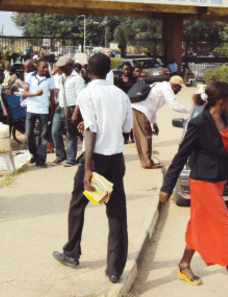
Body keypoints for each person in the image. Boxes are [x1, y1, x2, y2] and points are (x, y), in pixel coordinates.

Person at [159, 81, 228, 297]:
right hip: (202, 183)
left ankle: (184, 264)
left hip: (218, 179)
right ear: (221, 101)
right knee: (226, 229)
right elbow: (181, 155)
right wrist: (167, 187)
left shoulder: (225, 117)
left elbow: (225, 149)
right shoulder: (199, 123)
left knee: (199, 224)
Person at [52, 52, 133, 284]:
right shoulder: (120, 95)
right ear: (109, 71)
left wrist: (87, 170)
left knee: (78, 204)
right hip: (116, 159)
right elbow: (127, 128)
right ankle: (115, 269)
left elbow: (90, 130)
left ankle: (71, 252)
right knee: (117, 212)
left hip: (95, 158)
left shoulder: (86, 93)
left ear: (87, 70)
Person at [131, 75, 190, 169]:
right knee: (145, 136)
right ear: (175, 86)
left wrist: (154, 123)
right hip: (140, 110)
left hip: (140, 109)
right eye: (180, 87)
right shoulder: (166, 88)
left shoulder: (161, 86)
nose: (180, 90)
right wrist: (190, 111)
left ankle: (147, 161)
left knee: (144, 135)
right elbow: (174, 106)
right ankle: (147, 162)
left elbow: (154, 105)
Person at [51, 55, 85, 167]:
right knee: (55, 131)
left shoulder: (78, 79)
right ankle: (60, 155)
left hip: (71, 109)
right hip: (60, 108)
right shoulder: (61, 78)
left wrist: (76, 113)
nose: (60, 69)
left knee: (71, 134)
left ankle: (71, 158)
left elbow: (80, 97)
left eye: (62, 67)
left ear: (70, 66)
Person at [22, 59, 55, 168]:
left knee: (43, 136)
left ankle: (41, 160)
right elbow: (25, 93)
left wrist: (52, 110)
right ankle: (34, 154)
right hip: (31, 110)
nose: (45, 70)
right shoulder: (30, 76)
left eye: (47, 68)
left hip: (43, 110)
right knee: (29, 134)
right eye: (43, 67)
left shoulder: (50, 79)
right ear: (37, 67)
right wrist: (35, 94)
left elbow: (52, 96)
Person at [114, 61, 137, 144]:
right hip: (120, 102)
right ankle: (124, 138)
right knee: (122, 119)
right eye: (125, 70)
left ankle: (132, 137)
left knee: (130, 118)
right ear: (122, 70)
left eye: (128, 70)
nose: (126, 71)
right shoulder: (117, 78)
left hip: (131, 101)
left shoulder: (133, 79)